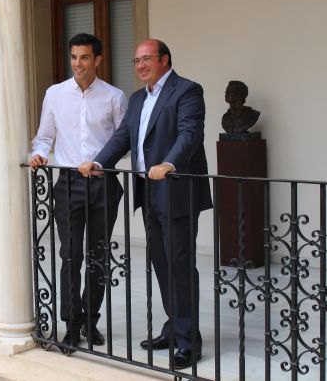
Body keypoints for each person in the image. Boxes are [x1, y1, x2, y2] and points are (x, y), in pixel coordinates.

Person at [78, 39, 212, 368]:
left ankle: (188, 339)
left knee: (179, 264)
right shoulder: (139, 98)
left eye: (147, 59)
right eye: (136, 60)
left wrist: (170, 163)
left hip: (176, 189)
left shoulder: (187, 91)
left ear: (165, 59)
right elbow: (123, 137)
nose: (140, 66)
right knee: (162, 264)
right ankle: (175, 326)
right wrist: (99, 161)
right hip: (148, 191)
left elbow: (189, 134)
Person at [30, 33, 127, 349]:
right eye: (74, 57)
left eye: (84, 57)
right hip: (69, 184)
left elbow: (122, 143)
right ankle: (71, 324)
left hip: (103, 184)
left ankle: (90, 321)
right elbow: (44, 136)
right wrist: (40, 153)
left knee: (98, 256)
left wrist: (99, 162)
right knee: (70, 256)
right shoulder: (55, 95)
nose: (78, 64)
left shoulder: (115, 97)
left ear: (97, 60)